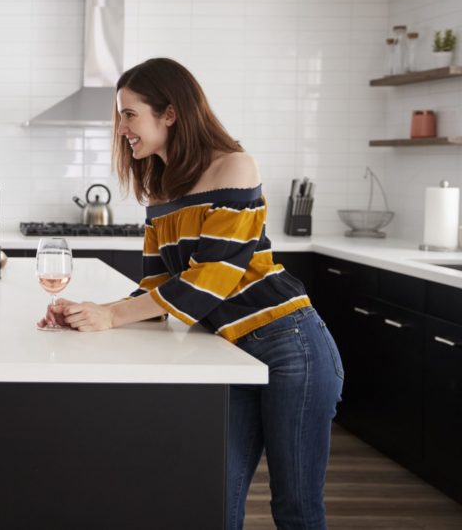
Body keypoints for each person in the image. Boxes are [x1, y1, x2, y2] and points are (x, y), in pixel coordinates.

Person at [38, 58, 344, 530]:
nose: (121, 128)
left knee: (296, 508)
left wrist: (110, 316)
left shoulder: (235, 167)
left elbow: (210, 281)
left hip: (291, 346)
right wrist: (84, 315)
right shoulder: (158, 191)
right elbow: (158, 292)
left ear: (171, 114)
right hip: (228, 352)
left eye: (129, 114)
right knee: (214, 502)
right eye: (120, 116)